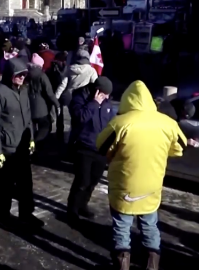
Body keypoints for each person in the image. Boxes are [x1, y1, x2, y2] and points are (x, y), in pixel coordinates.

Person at [96, 81, 186, 270]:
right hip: (152, 185)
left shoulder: (120, 123)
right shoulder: (167, 123)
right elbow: (180, 147)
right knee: (150, 224)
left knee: (122, 226)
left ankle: (122, 264)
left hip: (124, 185)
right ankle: (152, 265)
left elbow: (102, 146)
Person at [0, 58, 43, 228]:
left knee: (26, 183)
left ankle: (26, 214)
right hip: (7, 148)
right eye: (18, 75)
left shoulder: (24, 91)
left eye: (24, 75)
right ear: (10, 75)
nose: (21, 78)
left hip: (22, 146)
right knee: (6, 185)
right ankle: (2, 215)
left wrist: (31, 139)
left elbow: (28, 118)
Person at [66, 76, 115, 225]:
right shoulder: (80, 98)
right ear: (98, 91)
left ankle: (83, 205)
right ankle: (72, 209)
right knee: (82, 180)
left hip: (100, 149)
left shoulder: (107, 104)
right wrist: (94, 103)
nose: (107, 97)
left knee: (93, 180)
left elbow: (110, 124)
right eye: (105, 94)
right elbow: (80, 117)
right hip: (84, 146)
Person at [26, 54, 59, 144]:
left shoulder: (25, 74)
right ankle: (37, 142)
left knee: (31, 127)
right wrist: (57, 104)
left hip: (29, 105)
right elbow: (49, 93)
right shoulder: (42, 76)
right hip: (41, 107)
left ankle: (31, 141)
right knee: (45, 126)